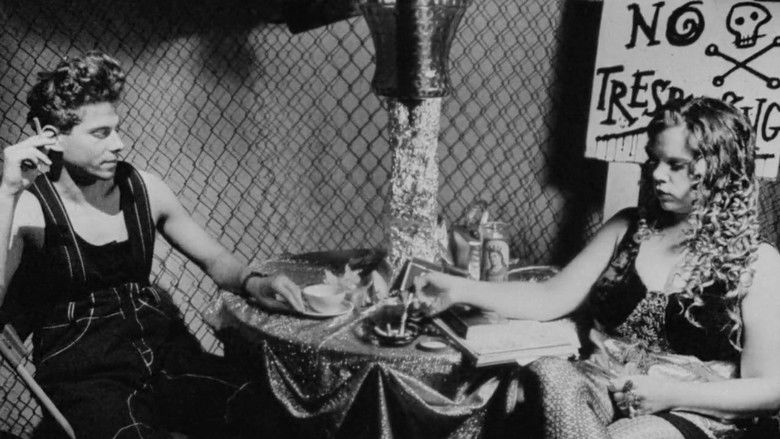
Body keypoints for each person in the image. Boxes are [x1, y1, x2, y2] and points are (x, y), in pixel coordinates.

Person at [416, 96, 780, 439]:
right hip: (605, 383)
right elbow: (550, 297)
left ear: (721, 171)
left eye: (676, 165)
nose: (657, 174)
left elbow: (769, 389)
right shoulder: (628, 228)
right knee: (548, 371)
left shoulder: (757, 262)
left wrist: (671, 394)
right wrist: (458, 289)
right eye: (654, 160)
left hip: (690, 408)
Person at [0, 51, 306, 438]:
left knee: (268, 411)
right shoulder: (28, 207)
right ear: (52, 137)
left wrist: (254, 282)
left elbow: (215, 259)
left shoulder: (145, 188)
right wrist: (7, 192)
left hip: (163, 353)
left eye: (117, 129)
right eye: (101, 133)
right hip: (86, 376)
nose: (120, 144)